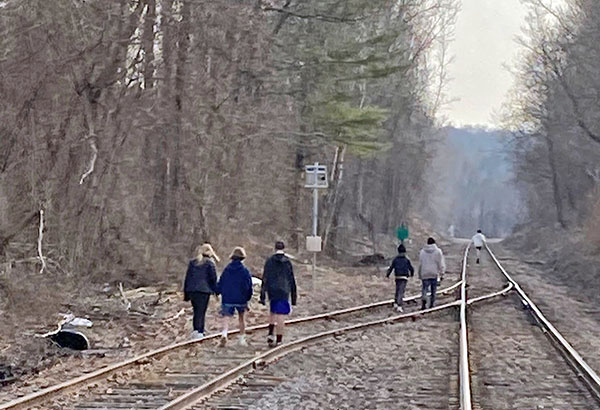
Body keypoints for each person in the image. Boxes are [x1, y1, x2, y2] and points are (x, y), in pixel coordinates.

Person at [260, 241, 297, 347]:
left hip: (272, 289)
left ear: (275, 248)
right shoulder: (287, 262)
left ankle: (270, 334)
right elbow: (291, 279)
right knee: (280, 314)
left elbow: (265, 277)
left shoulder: (269, 261)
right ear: (284, 248)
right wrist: (294, 297)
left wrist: (262, 294)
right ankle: (279, 339)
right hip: (284, 290)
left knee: (272, 311)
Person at [216, 247, 253, 346]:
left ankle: (224, 333)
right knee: (241, 318)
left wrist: (218, 291)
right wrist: (248, 297)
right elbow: (248, 285)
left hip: (228, 297)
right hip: (241, 298)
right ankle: (241, 338)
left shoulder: (227, 269)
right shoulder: (245, 271)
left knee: (226, 317)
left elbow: (221, 282)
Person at [183, 244, 219, 340]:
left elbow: (188, 278)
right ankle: (200, 331)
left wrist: (186, 294)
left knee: (196, 311)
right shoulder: (210, 263)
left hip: (192, 290)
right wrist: (217, 292)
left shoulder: (193, 262)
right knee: (201, 311)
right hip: (204, 291)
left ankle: (195, 330)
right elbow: (213, 279)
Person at [418, 237, 446, 310]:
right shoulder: (438, 251)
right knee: (433, 290)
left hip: (424, 272)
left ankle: (424, 298)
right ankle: (431, 304)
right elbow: (440, 263)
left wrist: (419, 274)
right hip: (434, 273)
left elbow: (420, 264)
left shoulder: (422, 252)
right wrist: (442, 273)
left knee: (425, 288)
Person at [386, 244, 414, 313]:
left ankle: (395, 303)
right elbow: (411, 268)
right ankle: (399, 305)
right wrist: (412, 274)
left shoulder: (395, 259)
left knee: (397, 290)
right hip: (404, 277)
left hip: (397, 276)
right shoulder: (406, 259)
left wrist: (388, 274)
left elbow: (391, 267)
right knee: (401, 291)